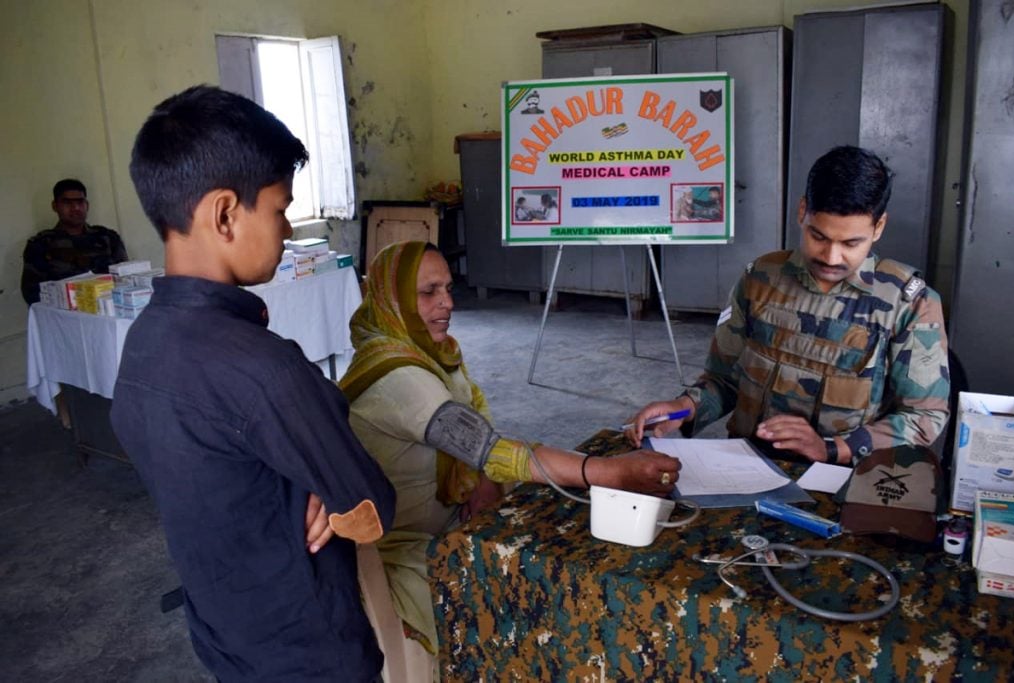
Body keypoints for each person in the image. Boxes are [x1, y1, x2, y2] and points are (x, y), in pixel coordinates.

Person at [110, 85, 396, 682]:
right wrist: (327, 494)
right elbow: (371, 507)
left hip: (224, 634)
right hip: (311, 653)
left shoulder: (141, 346)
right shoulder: (263, 369)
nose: (288, 228)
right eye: (279, 208)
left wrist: (302, 485)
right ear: (224, 214)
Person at [340, 240, 680, 661]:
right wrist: (609, 472)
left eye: (447, 288)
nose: (446, 302)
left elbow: (475, 412)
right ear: (392, 300)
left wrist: (480, 478)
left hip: (455, 514)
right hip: (412, 544)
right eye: (428, 292)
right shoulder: (398, 378)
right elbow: (491, 447)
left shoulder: (429, 352)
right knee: (530, 584)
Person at [629, 146, 950, 466]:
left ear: (878, 228)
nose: (831, 257)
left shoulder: (909, 303)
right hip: (746, 466)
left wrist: (832, 448)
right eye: (818, 236)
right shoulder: (760, 279)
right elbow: (724, 380)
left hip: (842, 478)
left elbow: (924, 416)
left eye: (851, 243)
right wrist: (684, 408)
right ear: (802, 212)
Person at [21, 178, 128, 304]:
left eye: (80, 202)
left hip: (109, 310)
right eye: (67, 203)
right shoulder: (41, 244)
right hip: (65, 316)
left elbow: (126, 277)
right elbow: (32, 293)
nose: (75, 208)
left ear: (87, 205)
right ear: (55, 206)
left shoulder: (108, 238)